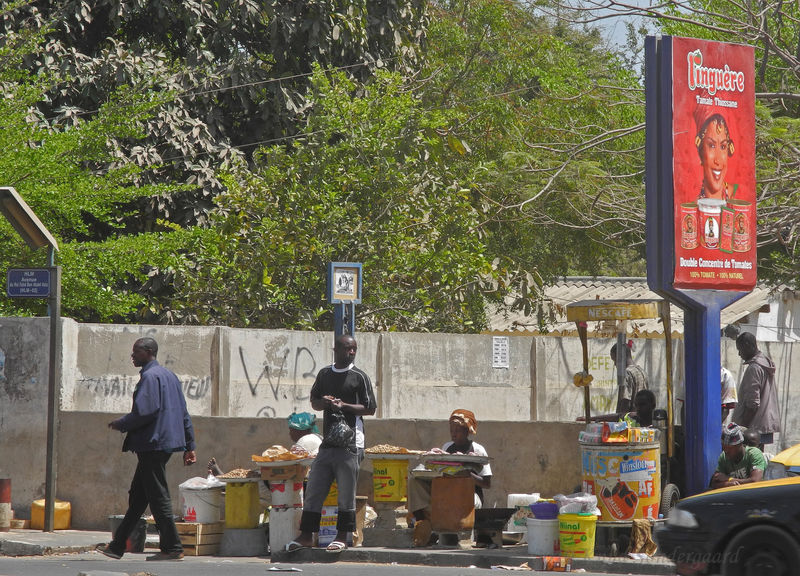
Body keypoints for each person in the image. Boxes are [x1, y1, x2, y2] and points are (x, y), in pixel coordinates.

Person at [99, 337, 197, 561]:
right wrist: (190, 445)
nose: (132, 356)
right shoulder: (169, 376)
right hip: (163, 444)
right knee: (139, 497)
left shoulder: (150, 377)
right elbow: (183, 412)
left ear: (148, 352)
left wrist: (121, 424)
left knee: (158, 496)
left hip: (153, 444)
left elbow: (145, 412)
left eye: (136, 352)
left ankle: (172, 547)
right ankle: (116, 546)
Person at [286, 334, 376, 553]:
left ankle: (343, 536)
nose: (352, 352)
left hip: (351, 443)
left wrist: (343, 405)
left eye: (354, 349)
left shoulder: (359, 377)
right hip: (328, 443)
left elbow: (370, 408)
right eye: (347, 349)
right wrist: (325, 403)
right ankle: (307, 535)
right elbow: (314, 402)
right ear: (336, 350)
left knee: (346, 493)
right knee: (315, 487)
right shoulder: (325, 374)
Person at [408, 409, 492, 547]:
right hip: (446, 492)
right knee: (415, 481)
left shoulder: (478, 450)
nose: (453, 434)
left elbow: (487, 483)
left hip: (469, 496)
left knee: (456, 498)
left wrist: (468, 475)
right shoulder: (447, 447)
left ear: (467, 431)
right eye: (451, 430)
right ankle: (423, 523)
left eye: (458, 430)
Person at [732, 332, 780, 448]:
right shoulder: (764, 363)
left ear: (748, 345)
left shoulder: (754, 368)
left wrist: (743, 428)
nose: (739, 354)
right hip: (762, 424)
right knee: (758, 459)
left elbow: (752, 404)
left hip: (753, 427)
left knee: (752, 460)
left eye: (740, 349)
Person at [694, 107, 737, 201]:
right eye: (711, 146)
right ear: (700, 150)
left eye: (723, 147)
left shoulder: (736, 195)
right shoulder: (690, 202)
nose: (718, 160)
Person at [710, 423, 766, 489]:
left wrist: (729, 479)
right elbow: (714, 483)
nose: (726, 451)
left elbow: (755, 481)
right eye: (724, 447)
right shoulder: (724, 457)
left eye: (730, 448)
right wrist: (728, 484)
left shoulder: (754, 454)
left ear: (740, 445)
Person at [611, 342, 648, 414]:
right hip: (642, 419)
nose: (615, 364)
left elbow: (626, 401)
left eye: (615, 360)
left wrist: (620, 420)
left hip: (630, 422)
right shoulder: (642, 372)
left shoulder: (627, 373)